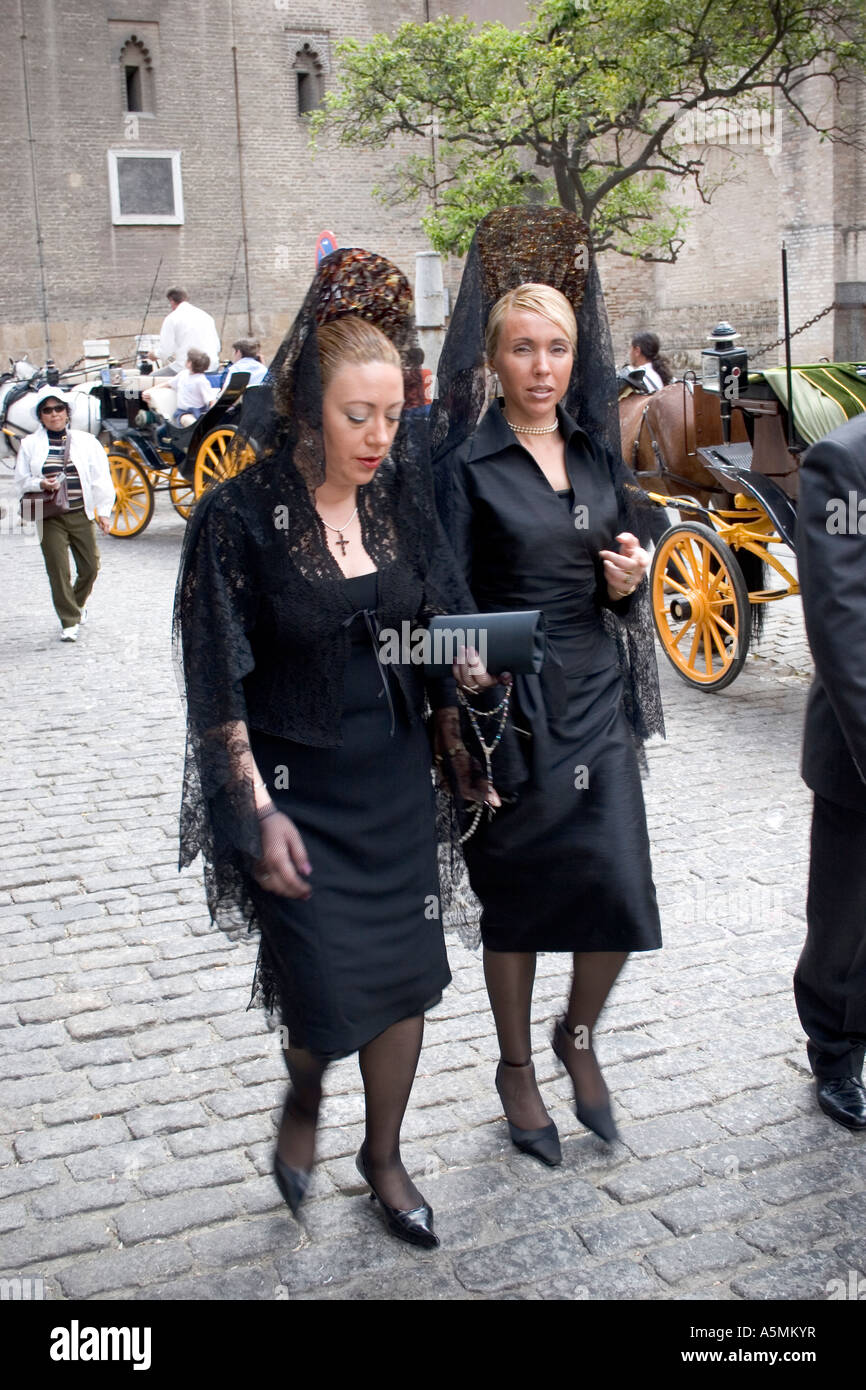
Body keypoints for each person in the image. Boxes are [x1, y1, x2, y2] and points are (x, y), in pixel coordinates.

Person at [175, 248, 495, 1248]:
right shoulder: (238, 519)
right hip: (294, 788)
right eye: (357, 416)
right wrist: (252, 808)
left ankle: (383, 1154)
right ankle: (305, 1095)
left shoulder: (399, 497)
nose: (378, 437)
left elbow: (429, 619)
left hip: (391, 777)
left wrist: (471, 667)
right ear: (308, 406)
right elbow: (214, 683)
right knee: (320, 985)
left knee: (405, 977)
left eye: (392, 416)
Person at [431, 207, 664, 1163]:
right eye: (523, 348)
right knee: (518, 899)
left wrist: (627, 578)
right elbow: (432, 617)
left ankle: (578, 1035)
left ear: (576, 358)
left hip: (597, 698)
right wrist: (477, 694)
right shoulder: (461, 468)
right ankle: (517, 1066)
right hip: (509, 714)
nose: (541, 366)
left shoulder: (599, 454)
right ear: (494, 360)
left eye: (557, 348)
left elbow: (627, 553)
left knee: (616, 884)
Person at [793, 412, 866, 1130]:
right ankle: (837, 1050)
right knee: (847, 922)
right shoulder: (842, 461)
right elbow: (840, 623)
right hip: (857, 739)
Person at [15, 386, 115, 642]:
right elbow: (22, 481)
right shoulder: (29, 445)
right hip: (47, 514)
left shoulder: (86, 442)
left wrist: (103, 512)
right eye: (47, 410)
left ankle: (76, 604)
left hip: (80, 512)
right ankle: (69, 620)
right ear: (40, 416)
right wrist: (41, 484)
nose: (54, 414)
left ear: (67, 412)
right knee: (58, 570)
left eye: (58, 408)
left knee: (90, 567)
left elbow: (100, 478)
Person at [149, 287, 220, 375]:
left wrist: (154, 354)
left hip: (186, 369)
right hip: (212, 367)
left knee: (151, 378)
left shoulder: (172, 318)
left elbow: (166, 352)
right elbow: (217, 347)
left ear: (171, 301)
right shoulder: (207, 316)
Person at [170, 349, 218, 423]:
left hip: (197, 412)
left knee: (190, 422)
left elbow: (211, 400)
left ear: (190, 363)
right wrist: (151, 390)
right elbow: (169, 384)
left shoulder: (201, 381)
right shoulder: (183, 374)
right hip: (182, 412)